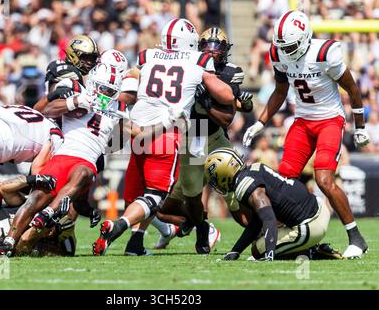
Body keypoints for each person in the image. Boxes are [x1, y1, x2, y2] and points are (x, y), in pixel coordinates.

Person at [92, 18, 236, 256]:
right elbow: (227, 96)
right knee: (155, 195)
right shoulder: (199, 60)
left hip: (137, 131)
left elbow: (129, 86)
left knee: (138, 194)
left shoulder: (147, 56)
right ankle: (120, 226)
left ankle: (136, 243)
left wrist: (109, 103)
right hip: (166, 132)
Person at [242, 10, 370, 259]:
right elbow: (280, 91)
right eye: (283, 47)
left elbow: (352, 90)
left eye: (290, 46)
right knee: (284, 181)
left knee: (324, 180)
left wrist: (360, 126)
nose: (286, 51)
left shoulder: (324, 53)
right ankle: (296, 239)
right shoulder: (278, 52)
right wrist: (260, 122)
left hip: (329, 120)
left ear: (304, 38)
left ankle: (356, 237)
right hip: (302, 121)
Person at [123, 27, 254, 254]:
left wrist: (207, 102)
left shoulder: (229, 72)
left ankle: (263, 233)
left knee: (237, 191)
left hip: (213, 136)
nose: (212, 52)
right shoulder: (189, 64)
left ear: (225, 50)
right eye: (207, 46)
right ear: (196, 46)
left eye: (217, 47)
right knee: (185, 198)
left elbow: (227, 118)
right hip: (191, 136)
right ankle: (200, 228)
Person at [0, 63, 124, 257]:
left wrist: (122, 127)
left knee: (83, 175)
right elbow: (43, 110)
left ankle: (47, 216)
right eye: (103, 88)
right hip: (62, 155)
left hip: (87, 159)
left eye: (110, 91)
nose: (105, 94)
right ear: (94, 83)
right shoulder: (76, 90)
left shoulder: (118, 109)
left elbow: (115, 144)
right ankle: (9, 242)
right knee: (36, 198)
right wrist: (76, 101)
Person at [204, 147, 342, 261]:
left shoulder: (244, 187)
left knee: (258, 250)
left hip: (310, 225)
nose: (215, 183)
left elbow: (268, 218)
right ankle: (310, 248)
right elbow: (257, 222)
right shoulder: (254, 168)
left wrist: (269, 253)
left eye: (215, 178)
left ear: (223, 174)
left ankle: (313, 252)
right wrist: (235, 251)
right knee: (260, 240)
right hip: (317, 207)